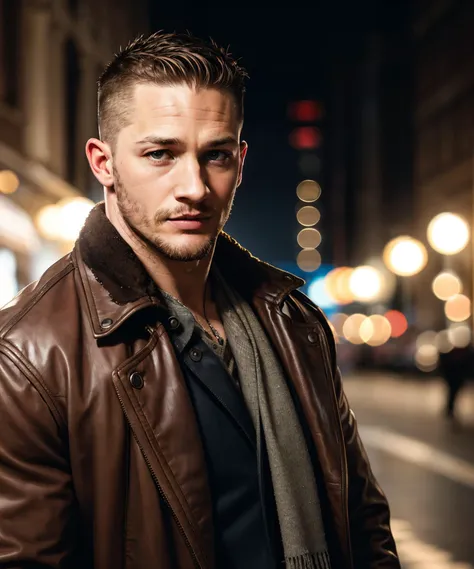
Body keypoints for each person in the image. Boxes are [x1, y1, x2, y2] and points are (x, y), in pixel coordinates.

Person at [0, 31, 400, 569]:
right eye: (159, 154)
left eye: (215, 155)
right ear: (104, 163)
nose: (194, 186)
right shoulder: (28, 357)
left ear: (241, 159)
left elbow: (362, 520)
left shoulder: (292, 319)